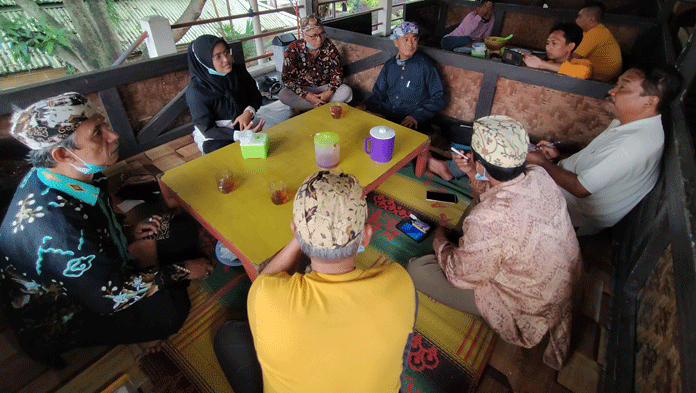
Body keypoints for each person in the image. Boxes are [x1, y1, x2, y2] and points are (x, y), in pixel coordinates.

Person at [0, 93, 215, 368]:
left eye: (103, 125)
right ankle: (142, 324)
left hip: (99, 264)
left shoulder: (71, 172)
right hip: (74, 310)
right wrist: (183, 269)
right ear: (62, 153)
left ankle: (144, 262)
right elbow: (109, 297)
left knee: (180, 227)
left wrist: (126, 233)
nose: (113, 135)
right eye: (97, 133)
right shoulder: (57, 232)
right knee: (169, 311)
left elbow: (97, 215)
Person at [214, 171, 417, 393]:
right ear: (366, 236)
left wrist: (300, 238)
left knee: (227, 336)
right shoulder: (400, 284)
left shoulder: (265, 296)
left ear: (295, 231)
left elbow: (266, 278)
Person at [407, 115, 581, 370]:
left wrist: (440, 240)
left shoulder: (489, 219)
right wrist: (471, 170)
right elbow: (491, 191)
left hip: (526, 304)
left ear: (483, 165)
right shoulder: (538, 174)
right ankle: (468, 246)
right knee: (479, 205)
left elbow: (458, 276)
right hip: (559, 281)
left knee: (417, 269)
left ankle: (454, 251)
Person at [527, 66, 682, 235]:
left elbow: (580, 188)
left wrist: (542, 162)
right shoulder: (628, 122)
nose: (612, 91)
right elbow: (595, 163)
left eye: (623, 87)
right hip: (562, 193)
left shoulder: (635, 143)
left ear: (649, 101)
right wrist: (557, 159)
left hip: (570, 213)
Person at [186, 35, 265, 154]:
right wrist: (239, 135)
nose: (226, 60)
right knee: (222, 152)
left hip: (244, 123)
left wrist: (248, 112)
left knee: (266, 142)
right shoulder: (196, 91)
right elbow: (207, 129)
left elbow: (256, 96)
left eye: (227, 52)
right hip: (217, 133)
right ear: (204, 60)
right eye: (218, 57)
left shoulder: (238, 72)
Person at [361, 21, 446, 130]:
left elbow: (439, 96)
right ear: (396, 42)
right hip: (388, 115)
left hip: (412, 120)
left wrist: (416, 116)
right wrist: (365, 106)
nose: (410, 44)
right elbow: (379, 93)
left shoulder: (426, 65)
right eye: (405, 39)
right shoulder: (389, 65)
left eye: (414, 39)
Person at [278, 15, 353, 112]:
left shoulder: (329, 47)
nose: (319, 39)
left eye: (322, 34)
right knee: (283, 95)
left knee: (347, 91)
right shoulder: (293, 49)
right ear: (304, 35)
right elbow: (287, 80)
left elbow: (338, 74)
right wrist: (307, 96)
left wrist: (328, 93)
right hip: (304, 89)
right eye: (314, 36)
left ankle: (316, 104)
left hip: (325, 87)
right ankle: (322, 104)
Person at [523, 22, 592, 79]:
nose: (548, 47)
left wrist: (541, 64)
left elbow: (584, 72)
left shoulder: (581, 64)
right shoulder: (547, 61)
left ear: (570, 46)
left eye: (554, 43)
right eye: (547, 43)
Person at [574, 2, 622, 82]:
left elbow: (574, 57)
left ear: (591, 19)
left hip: (601, 81)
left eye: (580, 16)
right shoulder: (590, 31)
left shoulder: (596, 32)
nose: (576, 20)